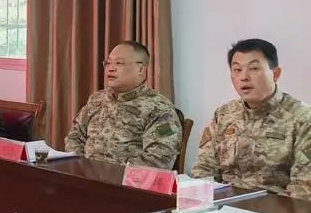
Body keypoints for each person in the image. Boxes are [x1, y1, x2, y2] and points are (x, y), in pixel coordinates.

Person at [190, 38, 311, 198]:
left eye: (253, 68)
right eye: (237, 70)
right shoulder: (224, 114)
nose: (244, 77)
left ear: (275, 74)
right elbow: (203, 170)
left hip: (275, 209)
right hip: (223, 206)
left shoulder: (303, 118)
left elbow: (303, 190)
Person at [64, 40, 181, 169]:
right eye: (108, 63)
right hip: (85, 175)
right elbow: (74, 137)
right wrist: (81, 167)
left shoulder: (159, 109)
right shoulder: (97, 99)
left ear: (141, 69)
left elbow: (159, 160)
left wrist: (111, 174)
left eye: (119, 63)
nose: (111, 68)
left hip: (125, 180)